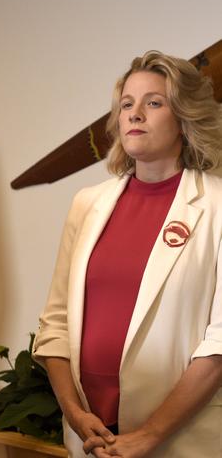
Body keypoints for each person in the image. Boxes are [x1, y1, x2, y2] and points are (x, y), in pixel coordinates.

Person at [33, 50, 222, 457]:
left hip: (180, 439)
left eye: (154, 103)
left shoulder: (218, 205)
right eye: (127, 104)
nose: (135, 114)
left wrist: (149, 435)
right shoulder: (88, 203)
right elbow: (55, 326)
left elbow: (220, 344)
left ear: (185, 118)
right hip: (91, 436)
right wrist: (74, 415)